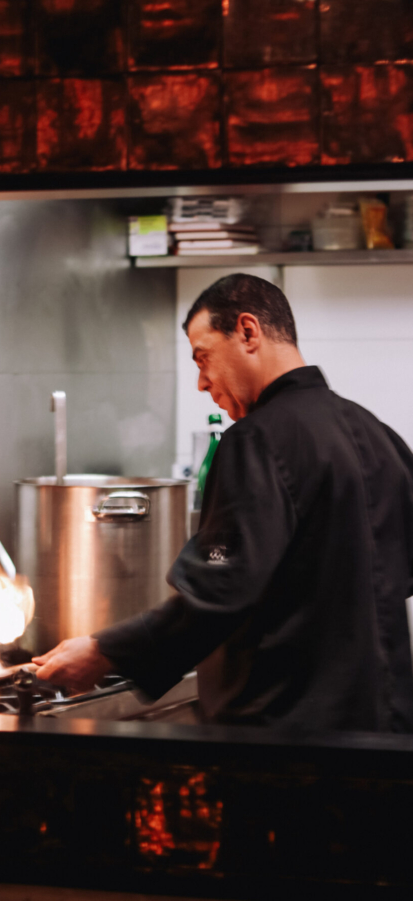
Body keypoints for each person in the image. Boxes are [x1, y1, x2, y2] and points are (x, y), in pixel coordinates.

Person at [33, 273, 413, 732]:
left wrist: (104, 651)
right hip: (386, 729)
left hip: (286, 737)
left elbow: (218, 592)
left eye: (203, 358)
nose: (201, 382)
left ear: (248, 332)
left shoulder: (255, 441)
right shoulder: (379, 433)